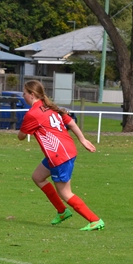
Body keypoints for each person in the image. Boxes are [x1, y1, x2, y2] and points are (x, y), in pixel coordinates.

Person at [18, 80, 104, 231]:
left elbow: (21, 136)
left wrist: (21, 130)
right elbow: (70, 122)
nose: (23, 96)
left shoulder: (32, 114)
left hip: (59, 155)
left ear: (32, 95)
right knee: (38, 177)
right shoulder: (50, 107)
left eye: (24, 93)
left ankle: (95, 220)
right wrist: (82, 139)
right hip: (64, 150)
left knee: (65, 192)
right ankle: (62, 211)